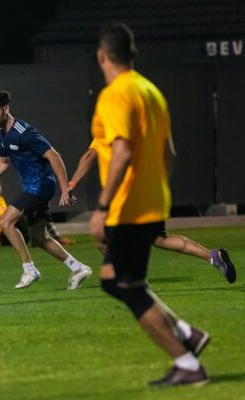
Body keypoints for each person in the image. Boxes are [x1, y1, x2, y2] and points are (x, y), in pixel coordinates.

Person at [89, 22, 218, 386]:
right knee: (118, 280)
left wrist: (101, 207)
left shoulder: (116, 94)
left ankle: (188, 364)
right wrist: (153, 187)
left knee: (121, 285)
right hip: (151, 202)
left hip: (127, 209)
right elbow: (169, 154)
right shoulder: (151, 91)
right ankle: (186, 332)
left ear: (102, 55)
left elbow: (122, 151)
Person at [0, 90, 91, 290]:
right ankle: (78, 268)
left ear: (6, 109)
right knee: (40, 238)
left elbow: (54, 155)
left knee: (5, 222)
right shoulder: (1, 133)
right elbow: (3, 163)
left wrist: (65, 189)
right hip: (34, 186)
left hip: (40, 185)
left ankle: (29, 270)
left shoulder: (23, 132)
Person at [68, 141, 236, 284]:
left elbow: (90, 156)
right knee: (160, 239)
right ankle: (213, 256)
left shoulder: (114, 122)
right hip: (152, 186)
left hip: (128, 192)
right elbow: (170, 155)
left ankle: (133, 280)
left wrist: (72, 183)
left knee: (103, 237)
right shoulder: (148, 122)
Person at [0, 178, 75, 246]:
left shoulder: (0, 199)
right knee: (24, 210)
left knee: (37, 208)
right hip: (2, 237)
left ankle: (50, 237)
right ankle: (44, 238)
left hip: (17, 233)